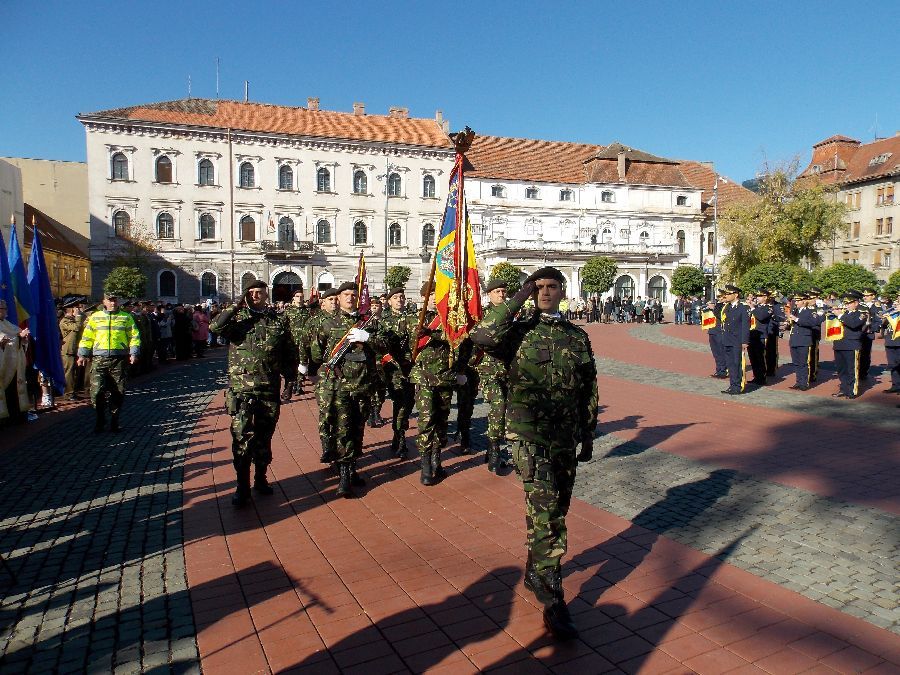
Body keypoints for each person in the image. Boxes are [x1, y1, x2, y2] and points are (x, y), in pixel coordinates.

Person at [471, 267, 598, 641]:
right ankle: (554, 595)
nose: (543, 292)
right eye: (537, 287)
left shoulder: (577, 336)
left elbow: (589, 385)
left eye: (550, 286)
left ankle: (535, 565)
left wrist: (588, 432)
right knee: (545, 507)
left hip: (565, 435)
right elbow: (481, 335)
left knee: (558, 506)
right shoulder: (517, 330)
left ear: (562, 291)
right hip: (529, 434)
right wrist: (516, 299)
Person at [210, 281, 299, 506]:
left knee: (264, 437)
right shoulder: (237, 321)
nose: (256, 296)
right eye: (252, 293)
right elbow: (215, 328)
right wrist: (236, 305)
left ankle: (261, 477)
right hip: (242, 391)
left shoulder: (277, 321)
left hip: (268, 389)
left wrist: (290, 381)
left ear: (266, 294)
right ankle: (242, 485)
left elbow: (290, 352)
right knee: (241, 438)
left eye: (260, 292)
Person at [307, 281, 386, 498]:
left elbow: (385, 346)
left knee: (358, 428)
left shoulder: (367, 322)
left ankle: (352, 468)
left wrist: (368, 338)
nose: (350, 298)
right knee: (343, 429)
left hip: (363, 384)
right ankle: (343, 475)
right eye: (345, 295)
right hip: (339, 385)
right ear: (338, 298)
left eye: (353, 295)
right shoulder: (326, 323)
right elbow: (316, 353)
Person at [407, 282, 471, 486]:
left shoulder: (450, 320)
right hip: (424, 377)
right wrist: (420, 335)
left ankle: (437, 458)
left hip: (445, 376)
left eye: (437, 294)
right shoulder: (415, 319)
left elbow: (459, 340)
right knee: (427, 420)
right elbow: (410, 346)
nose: (434, 298)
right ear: (423, 298)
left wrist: (460, 370)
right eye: (430, 295)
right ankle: (425, 465)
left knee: (442, 420)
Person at [77, 293, 140, 432]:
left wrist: (134, 352)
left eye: (115, 300)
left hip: (119, 360)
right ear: (104, 301)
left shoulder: (126, 317)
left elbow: (134, 336)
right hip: (99, 360)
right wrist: (82, 354)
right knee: (96, 392)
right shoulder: (95, 317)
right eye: (110, 300)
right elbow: (87, 337)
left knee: (118, 392)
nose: (113, 303)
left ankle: (114, 421)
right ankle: (100, 419)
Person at [300, 288, 339, 462]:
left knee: (340, 411)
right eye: (330, 299)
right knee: (326, 411)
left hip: (340, 375)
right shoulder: (313, 321)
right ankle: (326, 446)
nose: (334, 302)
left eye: (335, 299)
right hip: (322, 372)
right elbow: (304, 343)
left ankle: (338, 444)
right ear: (323, 302)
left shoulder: (341, 320)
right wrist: (305, 366)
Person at [476, 279, 511, 471]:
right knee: (499, 406)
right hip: (489, 371)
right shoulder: (483, 315)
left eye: (503, 291)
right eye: (497, 291)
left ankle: (491, 447)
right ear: (489, 294)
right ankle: (496, 452)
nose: (501, 294)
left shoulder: (512, 314)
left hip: (509, 370)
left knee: (505, 411)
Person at [379, 287, 415, 457]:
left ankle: (399, 432)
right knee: (400, 402)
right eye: (395, 297)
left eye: (402, 297)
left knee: (409, 402)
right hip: (393, 368)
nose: (399, 300)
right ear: (389, 300)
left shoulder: (413, 318)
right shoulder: (382, 320)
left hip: (411, 366)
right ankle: (399, 437)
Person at [0, 299, 30, 426]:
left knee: (13, 391)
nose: (4, 311)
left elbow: (15, 337)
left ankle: (15, 416)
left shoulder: (8, 324)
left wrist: (22, 338)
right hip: (3, 365)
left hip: (11, 365)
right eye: (1, 309)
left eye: (4, 309)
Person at [831, 290, 865, 399]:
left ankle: (852, 391)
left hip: (851, 345)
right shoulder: (843, 313)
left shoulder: (861, 314)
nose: (847, 305)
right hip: (839, 344)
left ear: (856, 303)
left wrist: (840, 315)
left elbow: (854, 324)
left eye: (849, 303)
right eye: (846, 303)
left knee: (852, 370)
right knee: (841, 369)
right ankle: (844, 389)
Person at [786, 292, 823, 391]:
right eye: (796, 300)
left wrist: (796, 319)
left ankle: (804, 383)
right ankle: (798, 381)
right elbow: (793, 324)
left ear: (804, 301)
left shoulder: (810, 311)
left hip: (804, 339)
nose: (796, 302)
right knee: (796, 363)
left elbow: (813, 322)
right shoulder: (795, 310)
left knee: (803, 363)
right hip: (794, 339)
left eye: (798, 300)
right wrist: (787, 324)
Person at [720, 284, 750, 395]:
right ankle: (732, 385)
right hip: (727, 339)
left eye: (728, 294)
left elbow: (745, 326)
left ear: (736, 295)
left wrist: (744, 341)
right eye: (726, 294)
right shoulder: (727, 307)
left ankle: (738, 386)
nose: (726, 296)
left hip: (737, 341)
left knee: (737, 363)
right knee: (730, 364)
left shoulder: (743, 307)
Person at [283, 288, 311, 401]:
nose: (300, 298)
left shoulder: (307, 311)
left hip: (303, 343)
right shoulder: (288, 311)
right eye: (297, 296)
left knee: (302, 363)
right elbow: (283, 326)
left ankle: (298, 385)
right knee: (290, 365)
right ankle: (288, 385)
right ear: (293, 298)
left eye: (301, 297)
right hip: (291, 343)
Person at [59, 297, 86, 400]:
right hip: (68, 350)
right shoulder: (64, 321)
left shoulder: (75, 319)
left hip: (76, 349)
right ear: (69, 309)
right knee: (69, 373)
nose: (78, 309)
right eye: (75, 307)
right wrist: (78, 315)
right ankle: (68, 393)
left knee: (75, 373)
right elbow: (77, 327)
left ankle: (73, 391)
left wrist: (80, 315)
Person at [747, 289, 774, 385]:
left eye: (759, 296)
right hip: (752, 334)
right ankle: (756, 376)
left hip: (761, 335)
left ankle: (762, 377)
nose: (757, 298)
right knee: (752, 357)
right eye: (757, 296)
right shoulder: (756, 307)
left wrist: (752, 308)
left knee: (760, 357)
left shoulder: (769, 307)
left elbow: (761, 316)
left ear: (765, 297)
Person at [703, 291, 727, 379]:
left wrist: (713, 309)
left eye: (721, 297)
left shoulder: (725, 306)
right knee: (716, 353)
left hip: (720, 331)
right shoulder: (718, 305)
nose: (719, 298)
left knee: (721, 352)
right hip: (712, 331)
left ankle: (723, 370)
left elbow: (720, 316)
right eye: (719, 297)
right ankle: (719, 369)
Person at [859, 288, 881, 380]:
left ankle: (863, 373)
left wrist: (871, 329)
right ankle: (855, 371)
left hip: (867, 334)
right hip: (858, 333)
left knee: (865, 354)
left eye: (867, 295)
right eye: (864, 295)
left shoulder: (876, 307)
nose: (865, 297)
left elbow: (878, 321)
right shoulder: (860, 305)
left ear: (873, 296)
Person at [881, 295, 900, 393]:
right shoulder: (892, 312)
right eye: (898, 299)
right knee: (893, 364)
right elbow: (884, 325)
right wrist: (886, 316)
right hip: (890, 340)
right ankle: (896, 385)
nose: (898, 301)